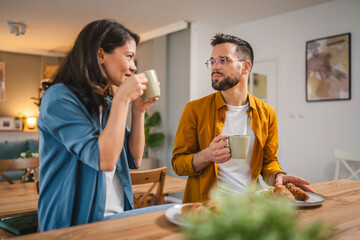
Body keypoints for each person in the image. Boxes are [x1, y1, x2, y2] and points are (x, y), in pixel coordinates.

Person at [37, 19, 158, 231]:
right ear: (100, 54)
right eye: (129, 56)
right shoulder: (58, 98)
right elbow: (104, 160)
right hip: (74, 222)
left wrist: (137, 112)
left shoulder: (105, 102)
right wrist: (122, 98)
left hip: (118, 214)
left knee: (181, 215)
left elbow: (134, 158)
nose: (134, 66)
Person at [172, 33, 312, 203]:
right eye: (212, 61)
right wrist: (208, 155)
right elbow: (178, 164)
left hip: (249, 207)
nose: (215, 67)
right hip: (206, 208)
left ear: (246, 67)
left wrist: (278, 176)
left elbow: (269, 161)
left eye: (223, 60)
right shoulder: (194, 109)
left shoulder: (267, 113)